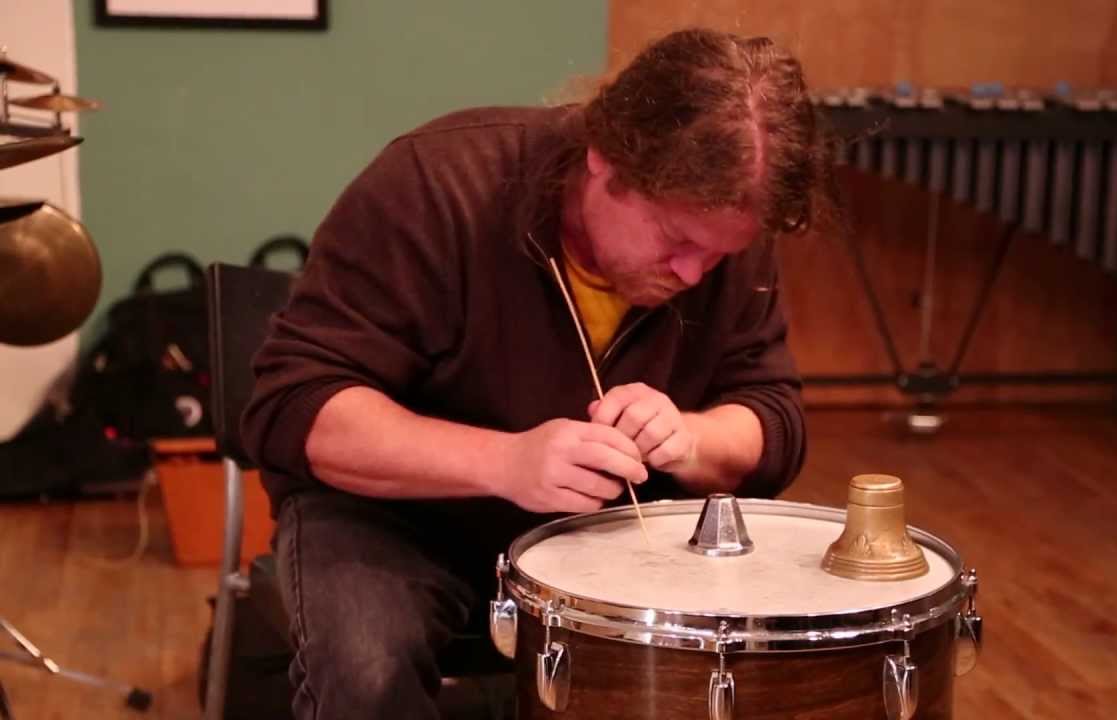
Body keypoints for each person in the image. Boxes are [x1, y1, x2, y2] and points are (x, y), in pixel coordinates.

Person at [243, 27, 831, 719]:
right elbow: (295, 407)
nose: (694, 274)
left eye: (720, 254)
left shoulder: (718, 236)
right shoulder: (434, 186)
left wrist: (691, 438)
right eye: (676, 240)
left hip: (614, 528)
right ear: (604, 157)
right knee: (367, 671)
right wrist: (505, 461)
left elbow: (772, 417)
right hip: (397, 517)